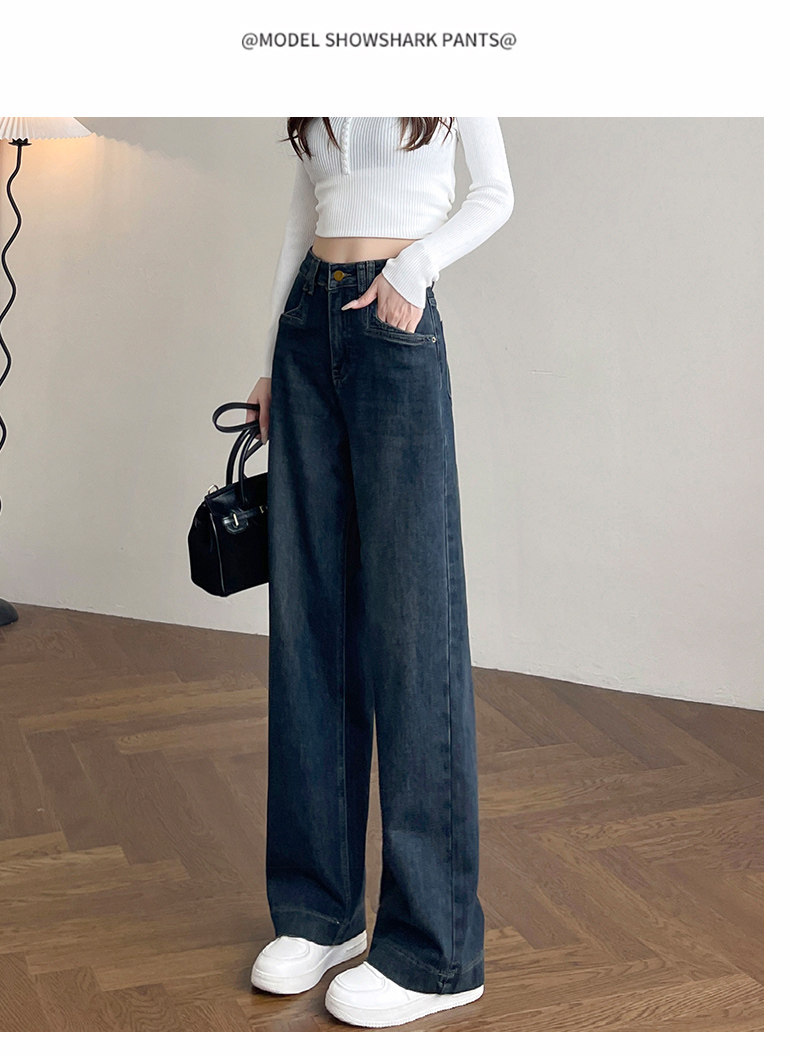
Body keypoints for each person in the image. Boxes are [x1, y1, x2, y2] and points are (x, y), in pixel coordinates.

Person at [246, 117, 514, 1029]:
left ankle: (436, 951)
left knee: (414, 630)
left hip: (393, 320)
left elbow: (495, 192)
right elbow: (305, 210)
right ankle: (319, 913)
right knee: (309, 626)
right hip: (307, 328)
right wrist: (271, 355)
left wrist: (414, 268)